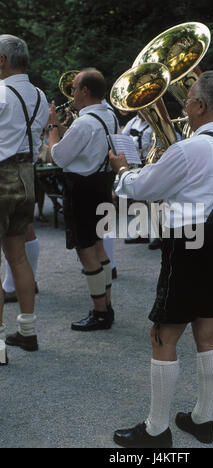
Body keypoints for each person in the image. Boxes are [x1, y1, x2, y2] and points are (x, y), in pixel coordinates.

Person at [109, 70, 213, 448]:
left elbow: (143, 188)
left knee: (164, 334)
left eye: (188, 99)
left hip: (192, 243)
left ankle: (156, 430)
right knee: (208, 334)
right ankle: (202, 420)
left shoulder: (189, 148)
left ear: (202, 105)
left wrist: (122, 170)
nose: (184, 106)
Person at [48, 68, 120, 331]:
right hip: (102, 184)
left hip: (82, 189)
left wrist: (53, 127)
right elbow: (89, 147)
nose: (72, 93)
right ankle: (106, 307)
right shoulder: (109, 115)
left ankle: (99, 312)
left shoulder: (84, 122)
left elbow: (58, 157)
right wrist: (68, 130)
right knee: (99, 248)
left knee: (86, 250)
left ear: (85, 91)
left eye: (75, 88)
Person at [0, 34, 49, 359]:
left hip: (1, 175)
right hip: (27, 178)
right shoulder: (40, 96)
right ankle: (27, 331)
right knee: (17, 256)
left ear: (2, 61)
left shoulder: (1, 93)